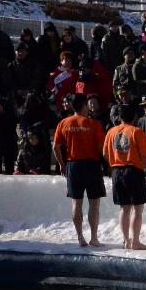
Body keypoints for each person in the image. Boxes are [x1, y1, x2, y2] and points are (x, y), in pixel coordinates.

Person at [52, 93, 106, 247]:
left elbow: (55, 146)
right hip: (92, 165)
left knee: (76, 203)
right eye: (87, 104)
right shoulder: (93, 124)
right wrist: (108, 163)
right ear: (83, 106)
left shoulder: (64, 122)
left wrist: (62, 164)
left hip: (73, 165)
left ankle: (80, 237)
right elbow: (100, 147)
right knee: (94, 203)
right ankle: (94, 238)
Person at [103, 104, 146, 250]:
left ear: (120, 117)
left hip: (117, 171)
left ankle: (126, 240)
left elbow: (105, 153)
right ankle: (136, 242)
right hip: (133, 171)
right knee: (137, 209)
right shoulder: (136, 131)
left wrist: (112, 166)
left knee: (124, 208)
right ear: (134, 117)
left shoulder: (111, 132)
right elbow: (145, 155)